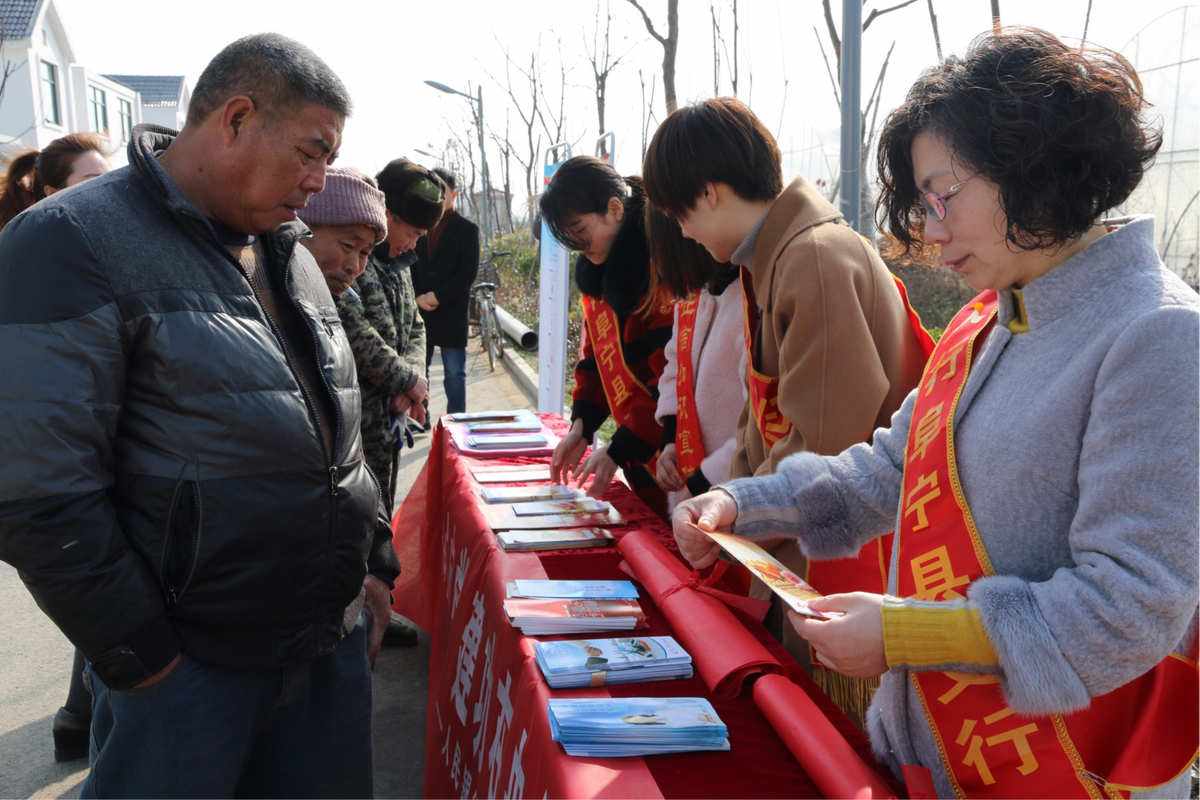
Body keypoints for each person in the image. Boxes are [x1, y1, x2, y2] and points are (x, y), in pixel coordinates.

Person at [674, 29, 1198, 798]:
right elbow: (889, 468)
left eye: (944, 193)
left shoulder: (1158, 335)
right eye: (922, 203)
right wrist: (742, 503)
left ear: (1037, 167)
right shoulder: (990, 320)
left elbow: (1132, 604)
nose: (928, 228)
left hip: (1061, 769)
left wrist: (900, 635)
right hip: (928, 754)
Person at [0, 34, 400, 797]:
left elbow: (337, 434)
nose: (321, 182)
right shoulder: (73, 242)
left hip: (325, 644)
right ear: (238, 118)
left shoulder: (290, 252)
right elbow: (36, 493)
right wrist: (145, 658)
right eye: (311, 153)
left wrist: (374, 564)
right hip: (190, 673)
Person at [643, 97, 933, 724]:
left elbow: (824, 443)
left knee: (831, 735)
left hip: (845, 554)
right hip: (797, 540)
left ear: (712, 191)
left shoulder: (813, 258)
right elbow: (760, 414)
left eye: (678, 214)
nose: (683, 233)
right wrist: (726, 507)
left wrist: (740, 513)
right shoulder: (770, 260)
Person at [0, 132, 117, 763]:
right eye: (88, 185)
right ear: (49, 194)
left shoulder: (89, 254)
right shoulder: (29, 262)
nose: (108, 197)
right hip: (44, 477)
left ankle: (78, 713)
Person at [540, 156, 674, 514]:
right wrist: (582, 426)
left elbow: (672, 381)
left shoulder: (660, 271)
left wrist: (619, 448)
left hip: (675, 450)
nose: (579, 246)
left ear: (615, 209)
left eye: (581, 231)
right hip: (638, 446)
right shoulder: (597, 276)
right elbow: (595, 359)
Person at [646, 209, 745, 513]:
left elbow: (762, 422)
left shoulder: (751, 299)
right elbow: (675, 368)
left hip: (731, 495)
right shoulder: (695, 295)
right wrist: (671, 442)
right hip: (696, 493)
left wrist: (707, 480)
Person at [413, 167, 480, 418]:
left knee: (454, 372)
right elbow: (407, 264)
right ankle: (421, 416)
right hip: (420, 311)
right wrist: (417, 297)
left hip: (451, 310)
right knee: (421, 369)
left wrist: (437, 296)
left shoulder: (467, 229)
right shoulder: (418, 226)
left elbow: (466, 274)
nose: (438, 195)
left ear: (454, 194)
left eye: (443, 190)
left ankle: (457, 419)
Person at [297, 166, 388, 298]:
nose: (354, 267)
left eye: (364, 252)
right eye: (348, 245)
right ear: (302, 229)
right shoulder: (260, 288)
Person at [0, 132, 110, 231]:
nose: (106, 190)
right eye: (92, 182)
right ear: (53, 193)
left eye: (108, 180)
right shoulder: (41, 245)